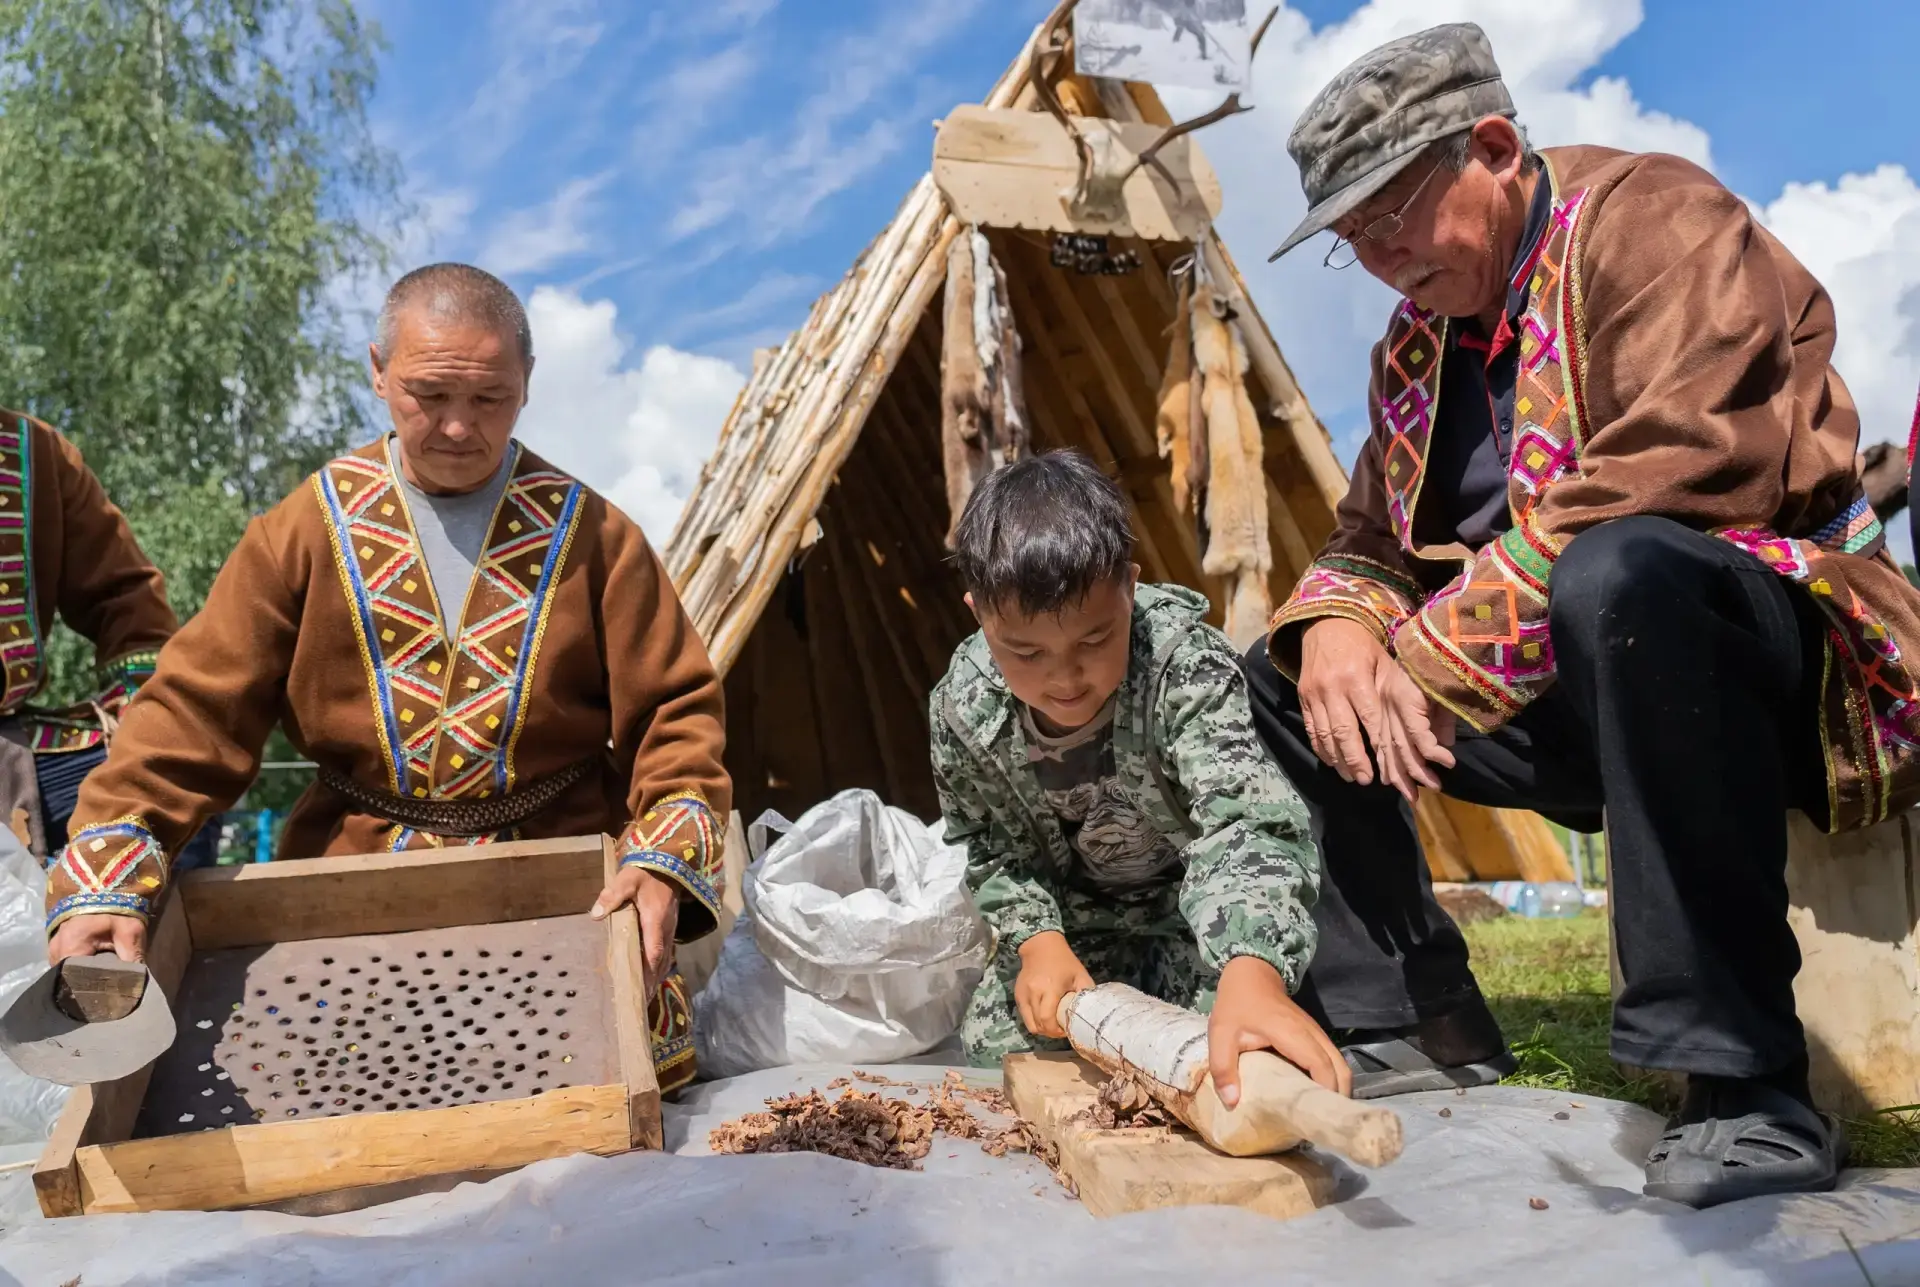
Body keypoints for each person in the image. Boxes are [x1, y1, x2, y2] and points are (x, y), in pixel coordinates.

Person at [1249, 21, 1920, 1207]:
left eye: (1392, 216)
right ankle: (1410, 1015)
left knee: (1622, 573)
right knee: (1289, 675)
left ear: (1494, 148)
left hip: (1782, 666)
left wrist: (1433, 653)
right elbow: (1370, 541)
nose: (1382, 258)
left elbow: (1686, 465)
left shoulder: (1659, 220)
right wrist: (1343, 629)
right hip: (1578, 680)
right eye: (1354, 240)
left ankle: (1747, 1085)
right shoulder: (1417, 351)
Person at [41, 263, 730, 1093]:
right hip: (352, 889)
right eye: (428, 394)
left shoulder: (596, 535)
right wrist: (113, 862)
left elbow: (677, 716)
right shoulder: (303, 529)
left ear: (528, 381)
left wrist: (662, 858)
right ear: (377, 370)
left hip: (562, 888)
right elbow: (194, 708)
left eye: (490, 398)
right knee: (348, 1120)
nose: (457, 426)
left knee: (596, 1126)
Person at [931, 450, 1346, 1104]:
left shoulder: (1184, 668)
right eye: (1027, 652)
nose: (1065, 678)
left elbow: (1246, 824)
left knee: (1233, 1056)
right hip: (1075, 931)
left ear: (1129, 586)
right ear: (979, 613)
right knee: (997, 1046)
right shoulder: (963, 710)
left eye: (1095, 640)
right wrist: (1037, 941)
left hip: (1192, 918)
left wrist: (1252, 970)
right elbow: (992, 848)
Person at [0, 412, 177, 859]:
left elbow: (129, 603)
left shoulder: (35, 451)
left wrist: (144, 721)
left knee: (172, 781)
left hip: (10, 750)